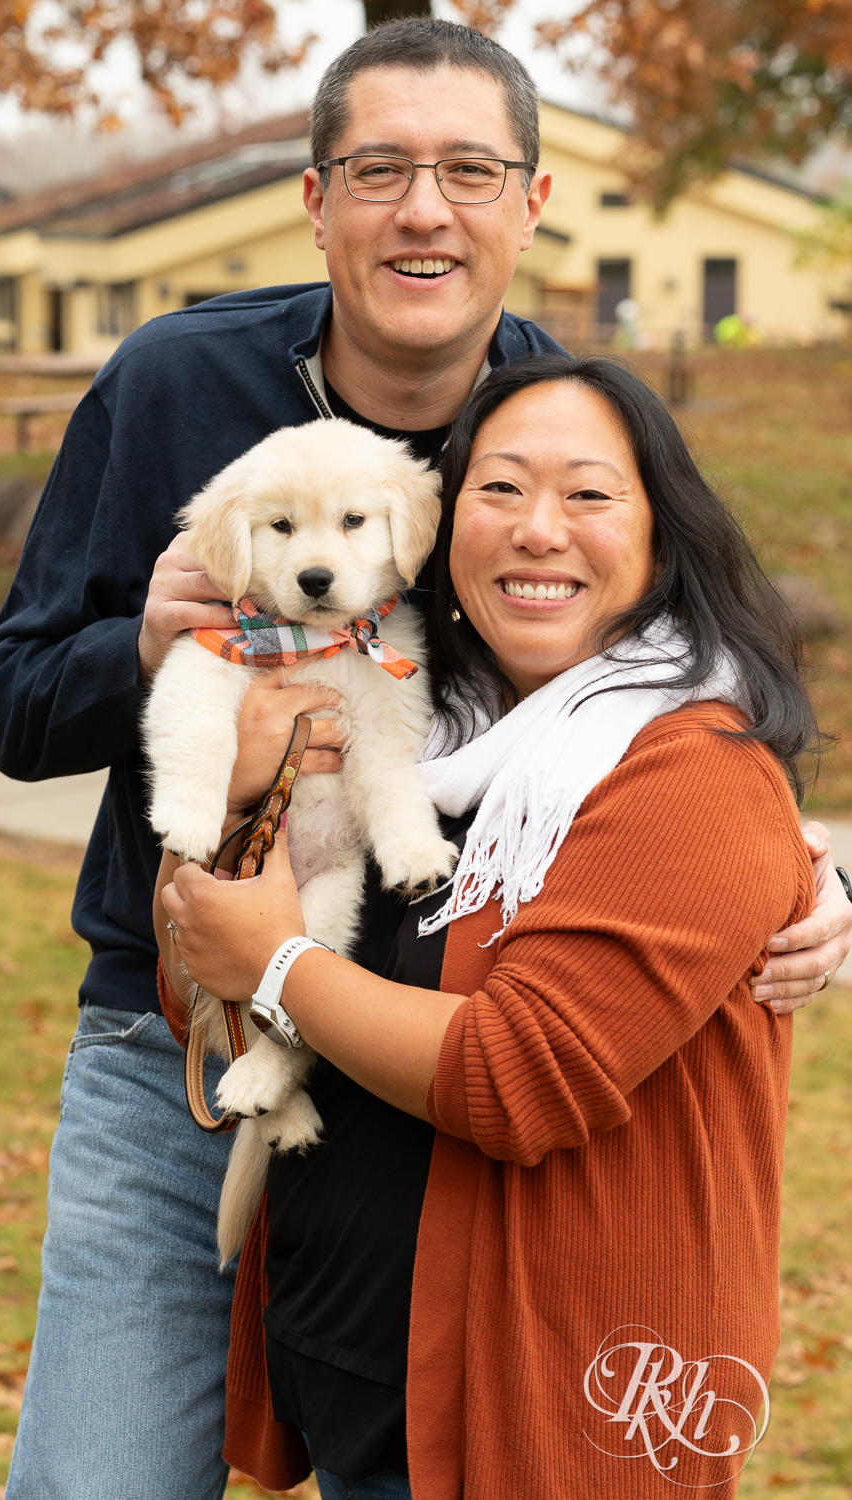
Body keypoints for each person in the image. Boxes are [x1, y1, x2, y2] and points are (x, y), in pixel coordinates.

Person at [0, 18, 850, 1500]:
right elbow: (6, 702)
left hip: (411, 1056)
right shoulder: (175, 385)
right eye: (377, 169)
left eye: (468, 170)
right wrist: (144, 648)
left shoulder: (547, 430)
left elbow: (655, 686)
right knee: (100, 1477)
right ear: (315, 200)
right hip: (168, 1038)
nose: (422, 209)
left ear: (534, 200)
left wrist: (804, 859)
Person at [161, 355, 829, 1499]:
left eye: (588, 494)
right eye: (501, 489)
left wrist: (277, 962)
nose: (537, 529)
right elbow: (204, 982)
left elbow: (521, 1078)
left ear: (664, 539)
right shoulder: (422, 730)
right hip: (369, 1379)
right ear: (439, 527)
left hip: (547, 1405)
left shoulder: (689, 771)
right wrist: (229, 864)